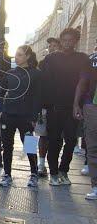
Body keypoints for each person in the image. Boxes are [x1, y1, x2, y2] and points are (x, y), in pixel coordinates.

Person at [40, 28, 91, 186]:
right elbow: (44, 83)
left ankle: (64, 170)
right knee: (54, 140)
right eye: (65, 40)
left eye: (71, 40)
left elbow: (83, 81)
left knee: (71, 140)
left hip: (72, 106)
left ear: (76, 41)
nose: (67, 43)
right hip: (54, 107)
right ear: (61, 41)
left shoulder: (83, 58)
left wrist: (77, 104)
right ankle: (54, 173)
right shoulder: (50, 59)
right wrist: (42, 107)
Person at [0, 45, 42, 188]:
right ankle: (7, 174)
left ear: (28, 56)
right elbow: (0, 93)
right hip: (8, 115)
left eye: (20, 55)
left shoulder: (36, 74)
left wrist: (34, 118)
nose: (16, 57)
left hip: (26, 117)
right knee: (7, 146)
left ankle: (34, 174)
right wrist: (1, 111)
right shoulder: (10, 73)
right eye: (16, 54)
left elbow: (37, 98)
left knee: (29, 145)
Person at [74, 44, 97, 200]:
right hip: (92, 105)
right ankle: (95, 186)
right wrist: (76, 103)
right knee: (93, 146)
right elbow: (83, 82)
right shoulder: (92, 60)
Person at [37, 37, 62, 176]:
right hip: (44, 107)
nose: (52, 48)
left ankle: (53, 163)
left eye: (55, 46)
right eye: (50, 46)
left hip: (60, 107)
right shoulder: (43, 63)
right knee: (42, 136)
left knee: (57, 139)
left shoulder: (65, 65)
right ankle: (40, 164)